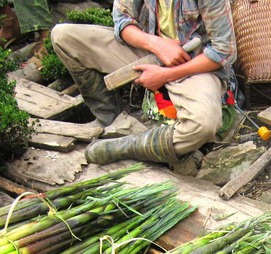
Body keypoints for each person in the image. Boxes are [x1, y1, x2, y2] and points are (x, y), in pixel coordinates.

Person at [50, 0, 236, 165]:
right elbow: (122, 21)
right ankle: (109, 121)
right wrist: (157, 45)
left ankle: (124, 146)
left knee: (203, 125)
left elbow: (223, 51)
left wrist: (165, 75)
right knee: (63, 36)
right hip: (150, 52)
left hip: (194, 65)